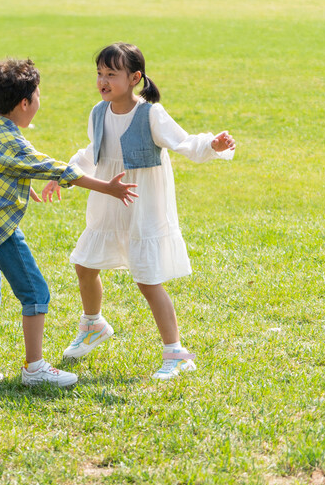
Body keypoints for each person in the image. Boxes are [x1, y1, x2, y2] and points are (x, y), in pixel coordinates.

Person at [43, 42, 235, 380]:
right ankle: (93, 324)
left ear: (135, 78)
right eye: (99, 74)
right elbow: (94, 150)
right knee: (84, 264)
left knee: (147, 280)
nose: (103, 81)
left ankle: (177, 353)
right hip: (108, 202)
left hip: (142, 203)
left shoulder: (151, 114)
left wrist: (212, 145)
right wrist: (66, 174)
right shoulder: (98, 112)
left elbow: (184, 142)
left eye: (111, 74)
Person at [0, 59, 137, 388]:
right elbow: (56, 168)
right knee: (36, 293)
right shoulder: (15, 142)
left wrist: (20, 184)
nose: (39, 101)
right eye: (38, 95)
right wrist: (108, 187)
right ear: (25, 103)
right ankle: (35, 368)